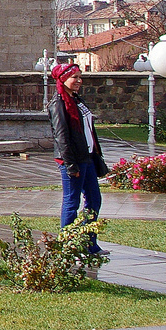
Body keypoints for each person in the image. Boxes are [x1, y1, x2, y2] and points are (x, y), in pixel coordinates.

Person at [47, 62, 105, 254]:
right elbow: (61, 136)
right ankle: (67, 245)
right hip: (73, 160)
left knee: (94, 199)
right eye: (74, 77)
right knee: (72, 202)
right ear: (63, 80)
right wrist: (70, 164)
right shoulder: (58, 104)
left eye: (80, 77)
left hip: (87, 157)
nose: (79, 81)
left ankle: (89, 242)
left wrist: (97, 156)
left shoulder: (77, 101)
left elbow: (89, 131)